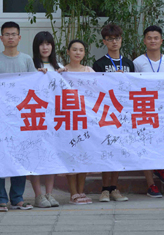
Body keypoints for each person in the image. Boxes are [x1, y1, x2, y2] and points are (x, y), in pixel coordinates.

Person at [0, 21, 35, 212]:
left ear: (19, 37)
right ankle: (0, 199)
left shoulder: (27, 60)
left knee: (19, 157)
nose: (10, 37)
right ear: (1, 38)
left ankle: (17, 198)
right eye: (7, 34)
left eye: (14, 34)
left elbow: (34, 85)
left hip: (21, 117)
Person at [133, 25, 164, 198]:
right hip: (145, 109)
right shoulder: (137, 62)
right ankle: (151, 185)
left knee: (163, 141)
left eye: (156, 38)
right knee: (146, 145)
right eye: (149, 38)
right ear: (144, 41)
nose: (152, 41)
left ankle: (160, 167)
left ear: (161, 41)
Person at [92, 23, 133, 202]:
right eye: (110, 39)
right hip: (106, 112)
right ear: (104, 42)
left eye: (117, 38)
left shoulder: (129, 63)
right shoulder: (99, 64)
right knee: (106, 149)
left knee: (118, 151)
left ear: (121, 40)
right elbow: (96, 88)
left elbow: (134, 88)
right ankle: (104, 189)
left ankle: (114, 188)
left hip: (124, 112)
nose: (114, 42)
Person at [29, 31, 62, 208]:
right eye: (41, 44)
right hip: (35, 118)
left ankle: (49, 193)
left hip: (54, 119)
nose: (45, 47)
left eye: (48, 44)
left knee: (51, 156)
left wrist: (63, 75)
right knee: (35, 156)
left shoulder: (59, 66)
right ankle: (38, 195)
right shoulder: (30, 66)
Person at [63, 39, 94, 205]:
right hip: (68, 119)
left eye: (81, 50)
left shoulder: (89, 71)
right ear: (68, 52)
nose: (77, 53)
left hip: (85, 119)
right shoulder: (62, 71)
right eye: (74, 49)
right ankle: (73, 192)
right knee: (71, 155)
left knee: (84, 154)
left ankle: (81, 191)